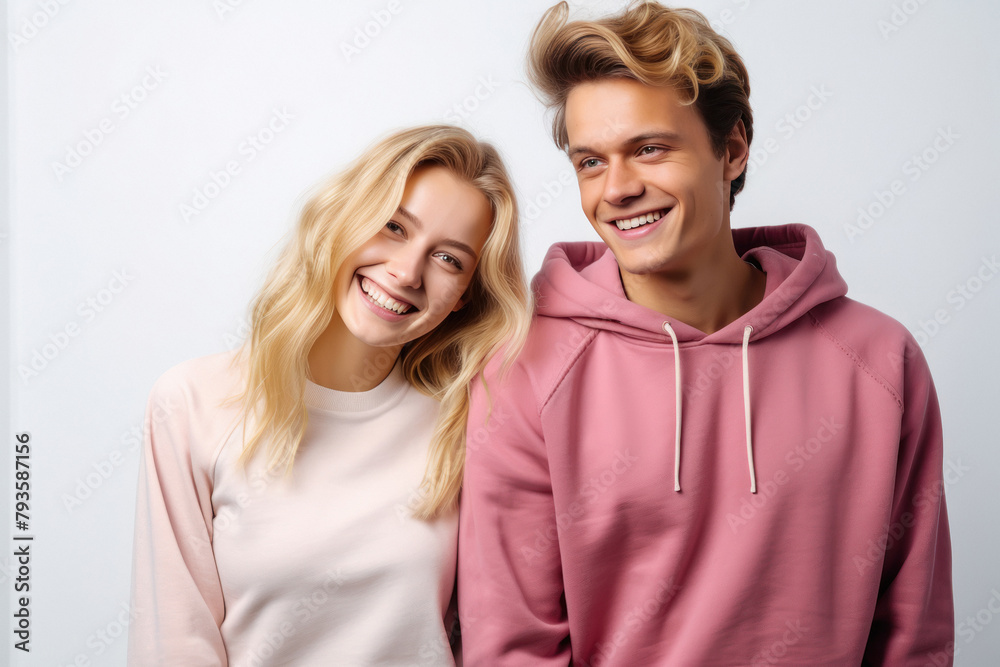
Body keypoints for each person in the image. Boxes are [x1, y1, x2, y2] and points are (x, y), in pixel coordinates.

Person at [457, 2, 954, 665]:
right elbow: (510, 644)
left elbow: (913, 633)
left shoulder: (880, 360)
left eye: (650, 148)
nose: (618, 189)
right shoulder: (526, 370)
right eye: (590, 162)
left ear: (733, 149)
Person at [128, 124, 530, 666]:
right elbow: (172, 642)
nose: (407, 271)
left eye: (449, 259)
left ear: (464, 297)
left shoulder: (467, 425)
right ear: (346, 220)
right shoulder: (194, 402)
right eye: (393, 227)